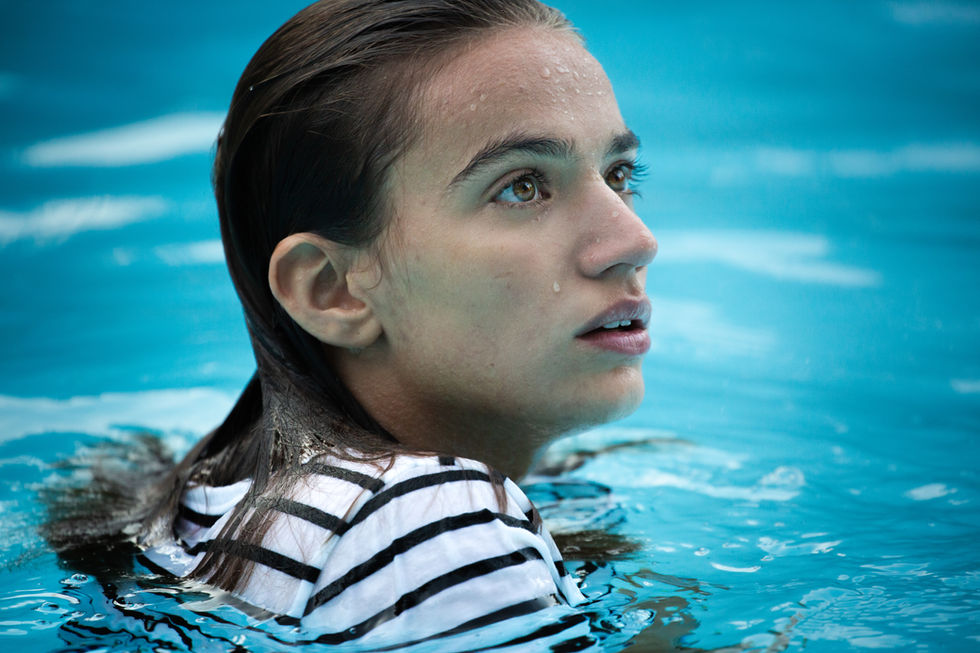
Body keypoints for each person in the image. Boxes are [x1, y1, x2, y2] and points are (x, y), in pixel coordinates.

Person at [47, 0, 657, 648]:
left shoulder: (216, 492)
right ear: (333, 290)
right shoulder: (437, 526)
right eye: (522, 187)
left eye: (619, 174)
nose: (634, 240)